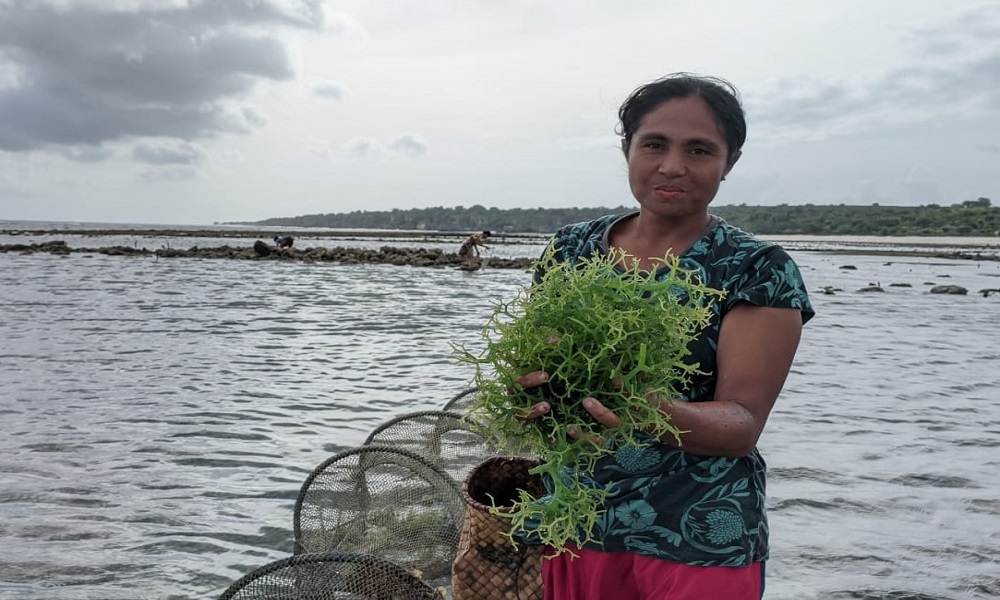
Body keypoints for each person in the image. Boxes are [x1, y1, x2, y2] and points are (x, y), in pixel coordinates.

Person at [516, 73, 815, 600]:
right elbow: (547, 373)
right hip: (579, 524)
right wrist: (539, 399)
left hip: (698, 539)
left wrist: (632, 405)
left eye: (699, 149)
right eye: (654, 144)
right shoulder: (569, 251)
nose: (672, 165)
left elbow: (741, 425)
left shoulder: (756, 269)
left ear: (731, 161)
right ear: (627, 148)